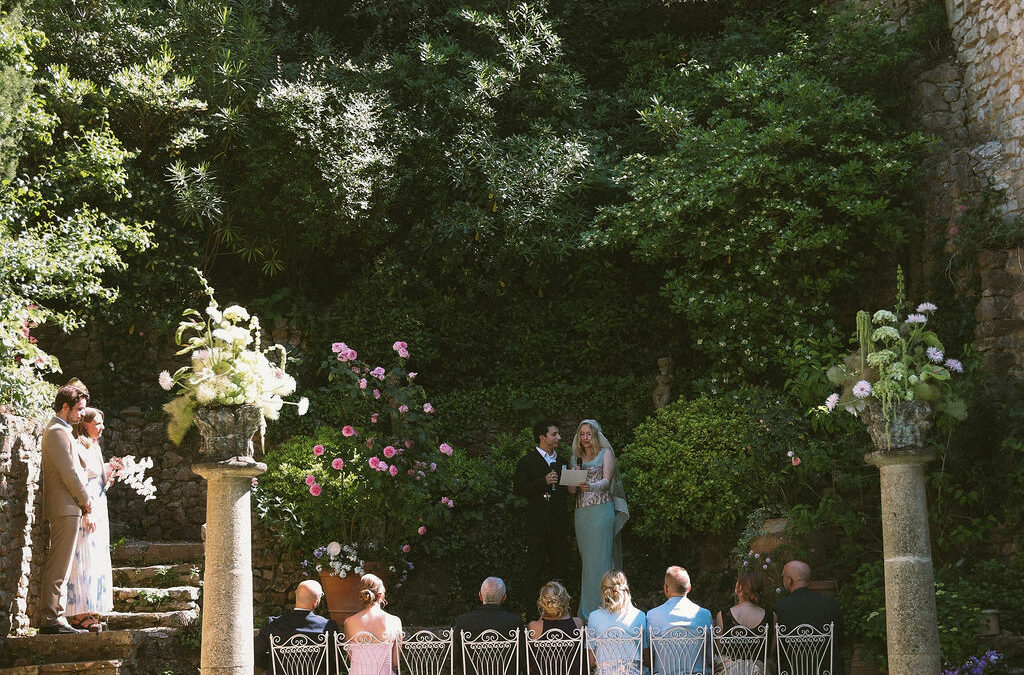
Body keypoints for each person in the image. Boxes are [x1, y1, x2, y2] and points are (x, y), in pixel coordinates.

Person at [38, 383, 92, 634]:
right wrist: (85, 499)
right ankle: (51, 618)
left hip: (68, 507)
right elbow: (69, 472)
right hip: (64, 506)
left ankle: (55, 615)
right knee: (59, 564)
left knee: (63, 563)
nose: (82, 414)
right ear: (65, 406)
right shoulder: (57, 431)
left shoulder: (63, 430)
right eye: (79, 409)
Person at [65, 407, 122, 632]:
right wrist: (86, 511)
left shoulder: (94, 445)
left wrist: (110, 472)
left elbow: (97, 480)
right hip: (86, 508)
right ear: (85, 424)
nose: (102, 427)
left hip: (99, 507)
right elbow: (80, 482)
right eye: (97, 423)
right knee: (83, 557)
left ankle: (89, 608)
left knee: (95, 556)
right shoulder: (78, 446)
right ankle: (77, 612)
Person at [568, 420, 628, 618]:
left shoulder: (605, 453)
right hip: (582, 513)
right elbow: (570, 491)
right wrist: (573, 478)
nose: (585, 438)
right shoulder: (575, 458)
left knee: (601, 560)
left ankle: (605, 609)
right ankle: (587, 612)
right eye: (582, 434)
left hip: (601, 511)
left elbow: (606, 481)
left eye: (588, 434)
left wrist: (590, 486)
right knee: (587, 563)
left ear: (595, 435)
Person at [513, 418, 570, 599]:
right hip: (537, 526)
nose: (558, 438)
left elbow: (568, 491)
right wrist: (542, 482)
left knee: (559, 569)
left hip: (559, 525)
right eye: (554, 434)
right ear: (541, 437)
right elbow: (519, 489)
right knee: (534, 570)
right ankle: (531, 614)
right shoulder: (527, 461)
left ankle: (560, 612)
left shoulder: (562, 461)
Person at [255, 579, 339, 670]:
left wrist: (277, 665)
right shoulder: (327, 626)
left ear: (296, 596)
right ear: (316, 602)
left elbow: (255, 654)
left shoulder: (274, 624)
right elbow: (335, 662)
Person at [772, 561, 841, 670]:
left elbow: (775, 649)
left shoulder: (779, 608)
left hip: (792, 670)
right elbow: (839, 639)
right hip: (825, 669)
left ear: (790, 580)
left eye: (783, 577)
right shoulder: (830, 604)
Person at [646, 566, 713, 674]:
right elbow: (709, 655)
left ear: (666, 588)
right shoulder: (704, 614)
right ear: (689, 588)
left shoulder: (652, 616)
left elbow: (649, 654)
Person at [586, 570, 647, 675]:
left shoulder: (594, 617)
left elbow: (591, 662)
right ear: (626, 589)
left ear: (603, 591)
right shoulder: (639, 615)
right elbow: (646, 656)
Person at [343, 574, 403, 675]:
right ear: (381, 596)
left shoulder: (349, 622)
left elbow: (351, 657)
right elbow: (395, 662)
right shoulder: (394, 621)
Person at [714, 570, 771, 674]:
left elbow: (719, 650)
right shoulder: (771, 617)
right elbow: (770, 652)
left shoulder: (723, 615)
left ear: (739, 588)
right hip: (759, 671)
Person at [527, 581, 584, 675]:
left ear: (542, 603)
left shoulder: (534, 627)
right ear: (565, 601)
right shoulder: (577, 623)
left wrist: (544, 613)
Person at [455, 576, 524, 650]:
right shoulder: (515, 622)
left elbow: (456, 659)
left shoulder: (463, 622)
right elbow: (522, 658)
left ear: (480, 596)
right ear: (504, 598)